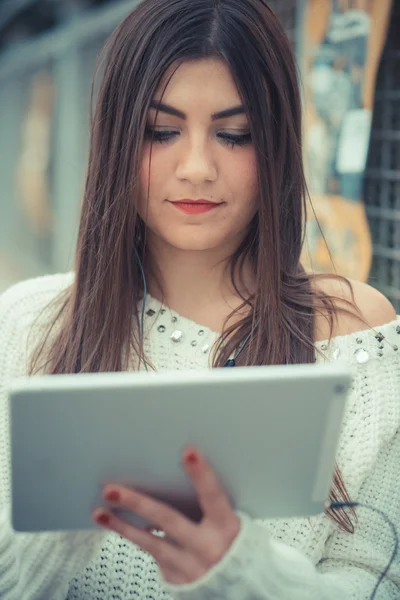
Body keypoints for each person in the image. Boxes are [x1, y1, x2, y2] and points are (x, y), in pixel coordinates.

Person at [0, 0, 399, 598]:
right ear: (114, 140)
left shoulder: (356, 334)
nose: (196, 167)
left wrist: (244, 572)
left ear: (278, 145)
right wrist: (71, 512)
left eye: (234, 135)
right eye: (161, 131)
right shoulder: (30, 321)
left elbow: (376, 580)